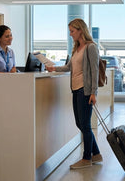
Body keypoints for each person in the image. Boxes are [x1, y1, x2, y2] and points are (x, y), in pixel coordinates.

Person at [46, 18, 102, 169]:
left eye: (72, 31)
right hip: (76, 89)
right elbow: (69, 67)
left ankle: (86, 158)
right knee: (80, 123)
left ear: (80, 30)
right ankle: (96, 154)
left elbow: (95, 71)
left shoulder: (91, 47)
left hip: (85, 90)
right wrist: (54, 68)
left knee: (85, 124)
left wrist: (93, 92)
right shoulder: (76, 49)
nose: (70, 34)